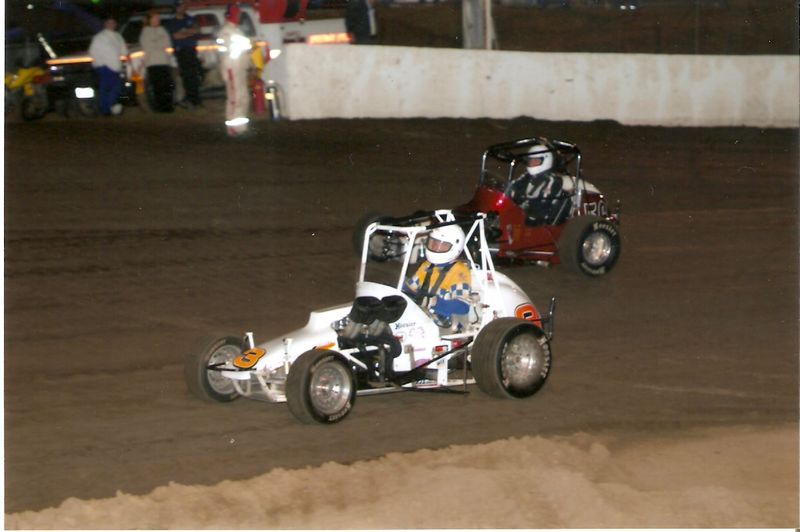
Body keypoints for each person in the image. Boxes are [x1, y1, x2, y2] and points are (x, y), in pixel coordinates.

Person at [404, 224, 472, 330]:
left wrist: (432, 302)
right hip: (419, 315)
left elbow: (462, 306)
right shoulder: (426, 265)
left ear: (455, 247)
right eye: (434, 243)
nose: (436, 247)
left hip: (442, 321)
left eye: (442, 245)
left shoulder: (460, 271)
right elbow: (409, 288)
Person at [508, 144, 571, 225]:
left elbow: (541, 208)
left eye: (536, 161)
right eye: (531, 160)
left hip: (538, 225)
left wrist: (522, 207)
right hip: (520, 219)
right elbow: (511, 189)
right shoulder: (526, 177)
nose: (532, 163)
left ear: (545, 161)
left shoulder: (552, 181)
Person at [217, 5, 252, 137]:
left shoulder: (236, 30)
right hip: (232, 68)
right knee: (235, 98)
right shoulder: (226, 31)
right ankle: (232, 128)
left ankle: (241, 127)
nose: (239, 16)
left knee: (243, 97)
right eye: (237, 14)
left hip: (240, 68)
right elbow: (228, 51)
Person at [88, 18, 128, 116]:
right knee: (105, 89)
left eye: (113, 23)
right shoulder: (99, 37)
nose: (111, 24)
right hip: (104, 68)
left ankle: (111, 107)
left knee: (115, 89)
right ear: (105, 24)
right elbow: (92, 52)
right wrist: (102, 64)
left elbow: (124, 51)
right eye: (109, 23)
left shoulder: (118, 36)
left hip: (116, 67)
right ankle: (105, 110)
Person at [166, 2, 203, 108]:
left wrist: (184, 32)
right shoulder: (172, 22)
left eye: (184, 6)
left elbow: (197, 30)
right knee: (187, 76)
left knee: (194, 75)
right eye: (181, 7)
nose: (183, 8)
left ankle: (196, 98)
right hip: (181, 51)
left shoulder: (190, 18)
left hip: (192, 50)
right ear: (176, 8)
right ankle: (190, 98)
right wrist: (189, 32)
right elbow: (176, 36)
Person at [139, 11, 174, 112]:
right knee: (157, 86)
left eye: (158, 18)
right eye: (155, 18)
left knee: (167, 85)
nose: (157, 20)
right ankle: (160, 107)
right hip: (152, 62)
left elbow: (167, 43)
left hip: (164, 61)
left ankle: (168, 106)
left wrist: (158, 42)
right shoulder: (146, 31)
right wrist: (159, 43)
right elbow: (148, 46)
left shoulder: (162, 29)